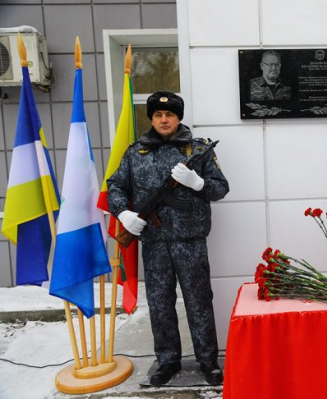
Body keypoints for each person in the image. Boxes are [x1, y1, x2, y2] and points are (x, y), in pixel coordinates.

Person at [107, 91, 229, 386]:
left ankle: (208, 360)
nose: (164, 119)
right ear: (151, 119)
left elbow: (220, 188)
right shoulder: (136, 153)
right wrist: (123, 214)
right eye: (159, 115)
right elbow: (115, 186)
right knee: (160, 303)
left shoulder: (197, 150)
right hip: (154, 242)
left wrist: (198, 182)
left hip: (190, 239)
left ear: (178, 118)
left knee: (199, 301)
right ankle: (167, 360)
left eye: (170, 115)